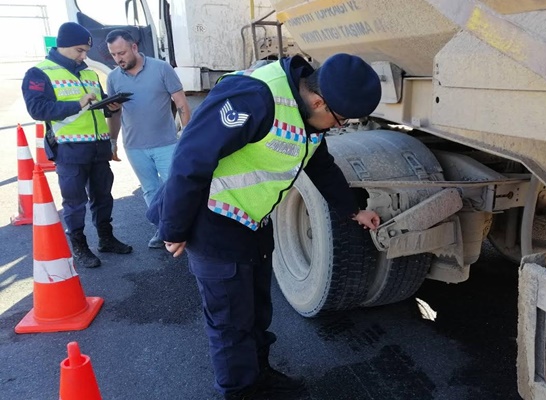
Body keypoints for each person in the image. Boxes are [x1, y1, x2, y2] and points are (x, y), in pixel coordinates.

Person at [147, 53, 382, 399]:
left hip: (252, 222)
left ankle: (259, 376)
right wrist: (175, 228)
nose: (338, 126)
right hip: (213, 221)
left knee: (256, 312)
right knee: (231, 323)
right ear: (319, 100)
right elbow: (190, 158)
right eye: (340, 119)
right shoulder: (254, 98)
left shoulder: (308, 114)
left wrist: (353, 210)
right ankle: (239, 391)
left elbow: (321, 164)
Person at [22, 22, 132, 269]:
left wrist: (108, 104)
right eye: (80, 50)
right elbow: (37, 109)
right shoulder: (40, 73)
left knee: (103, 196)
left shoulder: (89, 72)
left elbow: (97, 102)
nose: (84, 56)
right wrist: (77, 104)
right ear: (64, 45)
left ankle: (106, 238)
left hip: (98, 146)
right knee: (74, 202)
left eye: (85, 51)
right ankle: (80, 247)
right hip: (69, 149)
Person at [105, 29, 191, 248]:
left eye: (122, 53)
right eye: (114, 55)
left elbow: (181, 104)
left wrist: (188, 137)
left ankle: (181, 229)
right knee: (150, 190)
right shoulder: (113, 78)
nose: (118, 59)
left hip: (166, 143)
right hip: (134, 146)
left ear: (134, 47)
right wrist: (113, 142)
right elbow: (114, 114)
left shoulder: (161, 69)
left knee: (173, 187)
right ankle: (162, 230)